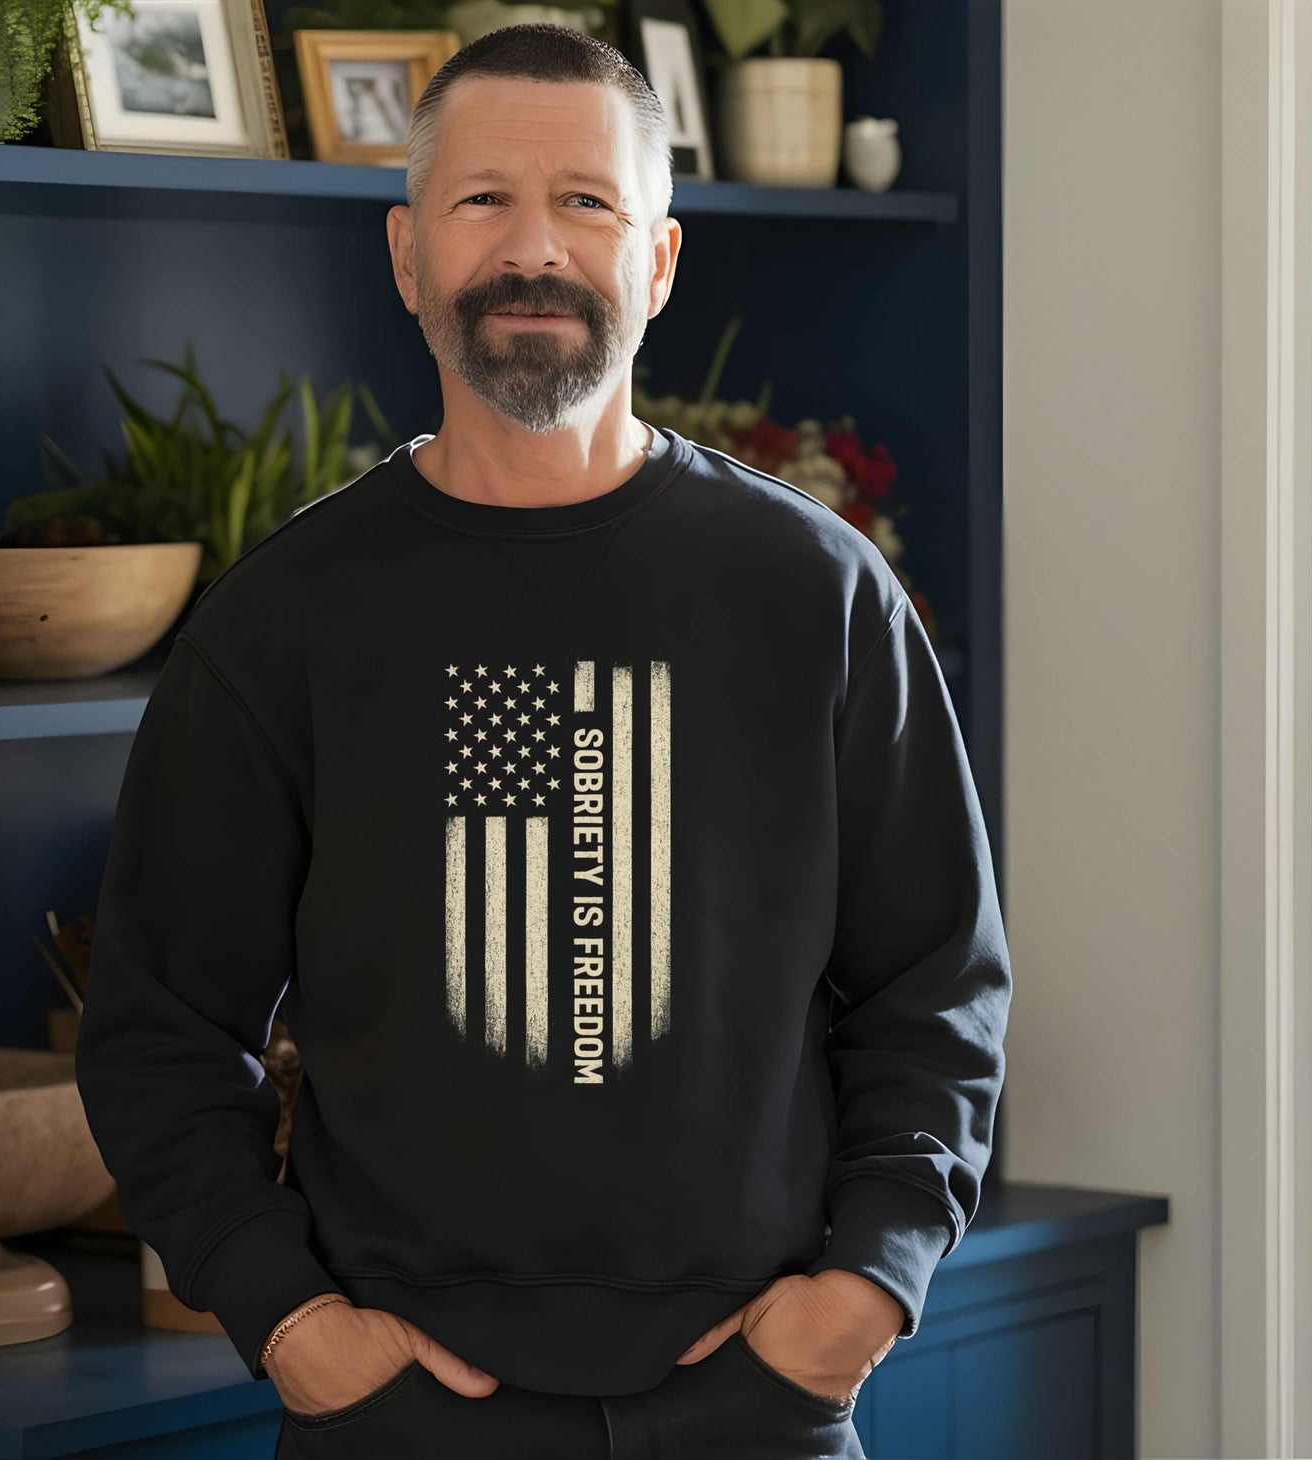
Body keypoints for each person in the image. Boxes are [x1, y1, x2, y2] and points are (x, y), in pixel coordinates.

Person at [73, 23, 1011, 1459]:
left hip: (756, 1406)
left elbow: (934, 988)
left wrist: (864, 1293)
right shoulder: (283, 620)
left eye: (586, 201)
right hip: (397, 1418)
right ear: (404, 255)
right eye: (480, 201)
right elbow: (159, 1032)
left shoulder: (816, 592)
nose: (534, 249)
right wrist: (292, 1327)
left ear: (659, 260)